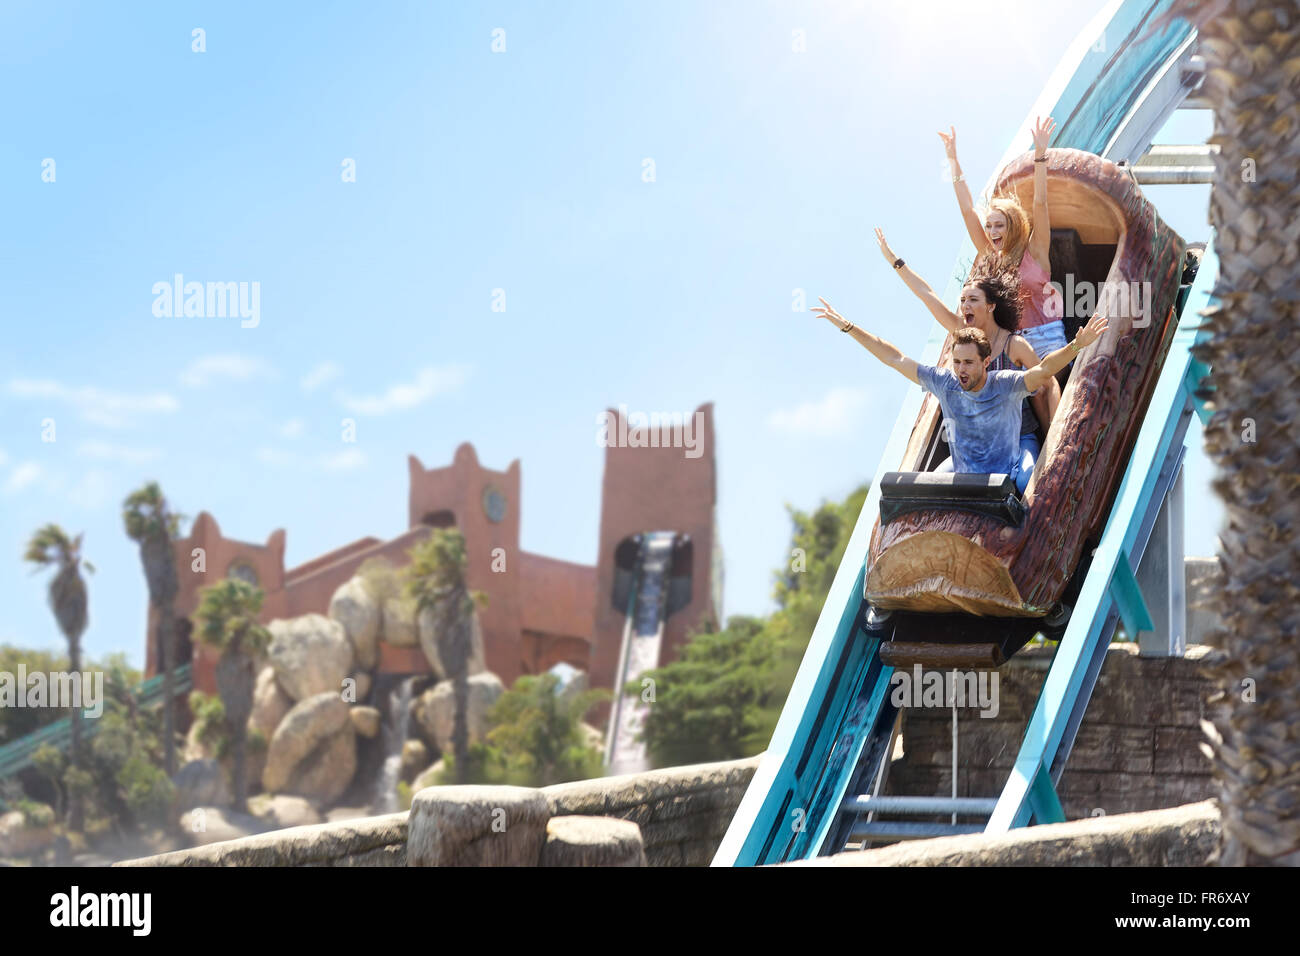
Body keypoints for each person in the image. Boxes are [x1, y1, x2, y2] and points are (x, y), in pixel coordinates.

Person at [810, 297, 1107, 494]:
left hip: (1010, 459)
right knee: (928, 489)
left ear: (985, 362)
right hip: (967, 465)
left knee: (1030, 481)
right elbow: (894, 358)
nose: (961, 369)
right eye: (957, 362)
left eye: (968, 362)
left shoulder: (1004, 383)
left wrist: (1077, 346)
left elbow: (1043, 371)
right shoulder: (945, 382)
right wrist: (848, 327)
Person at [874, 227, 1058, 475]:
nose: (964, 306)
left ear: (990, 306)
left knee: (1025, 481)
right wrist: (895, 262)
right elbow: (926, 295)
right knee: (935, 482)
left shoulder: (1013, 346)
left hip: (1017, 439)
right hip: (973, 447)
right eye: (962, 301)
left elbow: (1047, 381)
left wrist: (1055, 431)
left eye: (972, 300)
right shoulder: (961, 331)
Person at [939, 116, 1068, 359]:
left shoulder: (1035, 252)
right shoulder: (994, 260)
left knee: (1049, 386)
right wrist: (953, 161)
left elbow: (1040, 204)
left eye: (999, 225)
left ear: (1013, 225)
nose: (992, 231)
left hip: (1047, 335)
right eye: (989, 226)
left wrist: (1040, 155)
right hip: (1015, 343)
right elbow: (968, 211)